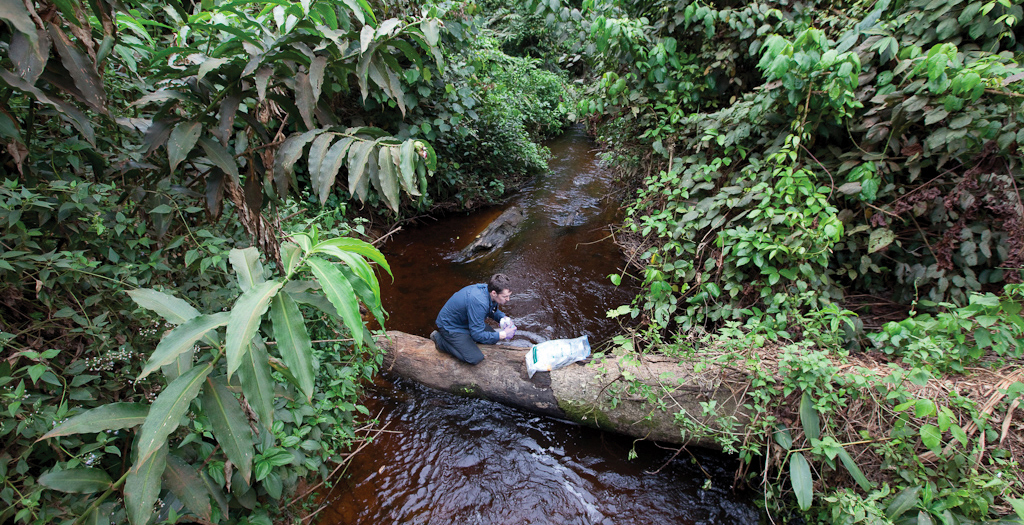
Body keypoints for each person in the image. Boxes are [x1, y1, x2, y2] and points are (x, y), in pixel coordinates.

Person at [430, 273, 517, 364]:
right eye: (505, 296)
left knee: (491, 337)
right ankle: (440, 341)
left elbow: (492, 310)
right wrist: (502, 334)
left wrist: (503, 318)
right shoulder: (479, 301)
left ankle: (465, 341)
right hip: (450, 326)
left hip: (465, 320)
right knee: (475, 358)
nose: (508, 299)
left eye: (509, 296)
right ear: (494, 293)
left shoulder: (489, 292)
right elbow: (477, 334)